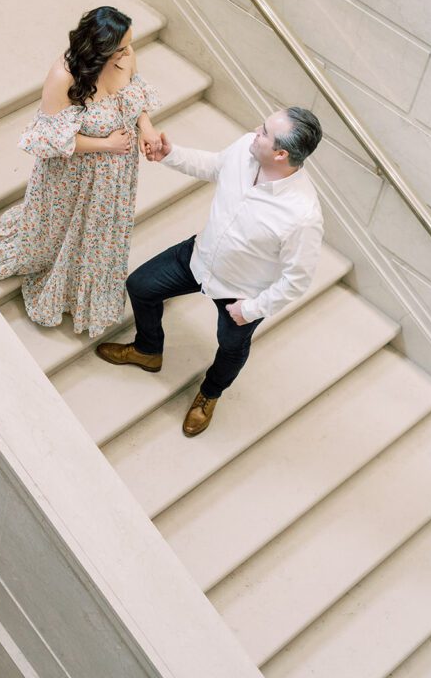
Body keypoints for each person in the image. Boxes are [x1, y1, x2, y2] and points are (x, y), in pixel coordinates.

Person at [95, 107, 323, 436]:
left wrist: (252, 309)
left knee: (231, 348)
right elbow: (215, 165)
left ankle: (210, 393)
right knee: (141, 286)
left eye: (264, 132)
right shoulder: (247, 148)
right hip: (199, 257)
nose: (254, 131)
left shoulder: (302, 215)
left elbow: (297, 280)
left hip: (242, 291)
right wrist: (170, 154)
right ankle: (148, 350)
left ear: (281, 153)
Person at [0, 6, 162, 338]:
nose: (128, 53)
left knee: (99, 231)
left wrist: (147, 129)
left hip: (115, 175)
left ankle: (85, 285)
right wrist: (106, 145)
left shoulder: (127, 57)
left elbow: (135, 99)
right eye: (119, 49)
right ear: (98, 49)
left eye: (129, 44)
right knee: (62, 229)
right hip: (72, 174)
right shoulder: (65, 76)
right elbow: (49, 139)